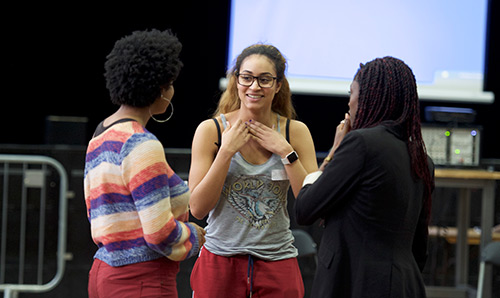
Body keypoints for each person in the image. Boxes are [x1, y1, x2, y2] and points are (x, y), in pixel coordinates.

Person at [295, 56, 435, 298]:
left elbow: (305, 208)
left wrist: (333, 153)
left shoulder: (361, 143)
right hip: (405, 284)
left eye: (352, 92)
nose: (349, 102)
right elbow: (419, 247)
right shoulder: (423, 160)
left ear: (369, 96)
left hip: (354, 283)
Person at [188, 44, 318, 298]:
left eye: (264, 80)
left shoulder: (296, 132)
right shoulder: (211, 131)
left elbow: (310, 206)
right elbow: (198, 209)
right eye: (246, 78)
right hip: (220, 260)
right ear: (236, 81)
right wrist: (225, 152)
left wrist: (286, 152)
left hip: (277, 261)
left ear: (278, 85)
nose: (254, 87)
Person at [84, 29, 205, 298]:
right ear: (160, 89)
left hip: (103, 272)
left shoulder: (100, 134)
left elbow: (97, 214)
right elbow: (160, 233)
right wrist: (197, 236)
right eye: (171, 84)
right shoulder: (142, 144)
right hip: (141, 280)